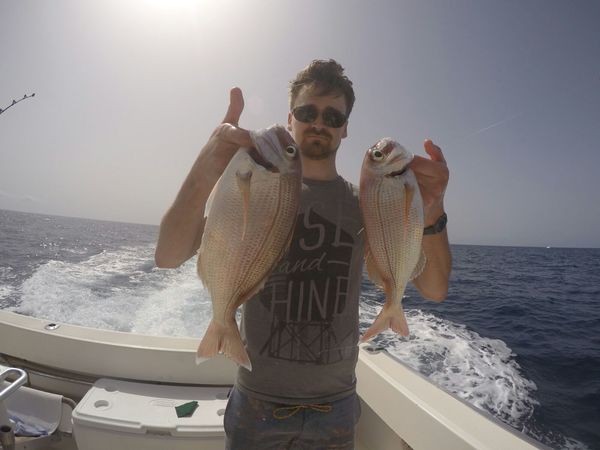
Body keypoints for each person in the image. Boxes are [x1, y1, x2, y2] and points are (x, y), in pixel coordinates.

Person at [155, 59, 451, 449]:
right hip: (257, 401)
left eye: (333, 116)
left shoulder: (365, 203)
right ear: (290, 118)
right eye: (307, 112)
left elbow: (434, 290)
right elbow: (168, 256)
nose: (319, 123)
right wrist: (207, 167)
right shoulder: (258, 187)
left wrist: (432, 211)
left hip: (336, 405)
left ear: (345, 128)